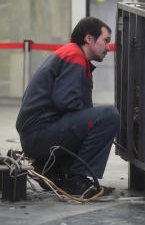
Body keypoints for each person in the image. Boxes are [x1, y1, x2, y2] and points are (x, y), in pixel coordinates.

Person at [16, 17, 120, 197]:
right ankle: (75, 178)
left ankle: (54, 171)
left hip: (37, 136)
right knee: (108, 116)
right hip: (39, 137)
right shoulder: (74, 56)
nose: (108, 48)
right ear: (89, 39)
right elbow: (66, 101)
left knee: (97, 118)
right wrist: (97, 122)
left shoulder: (74, 56)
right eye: (105, 40)